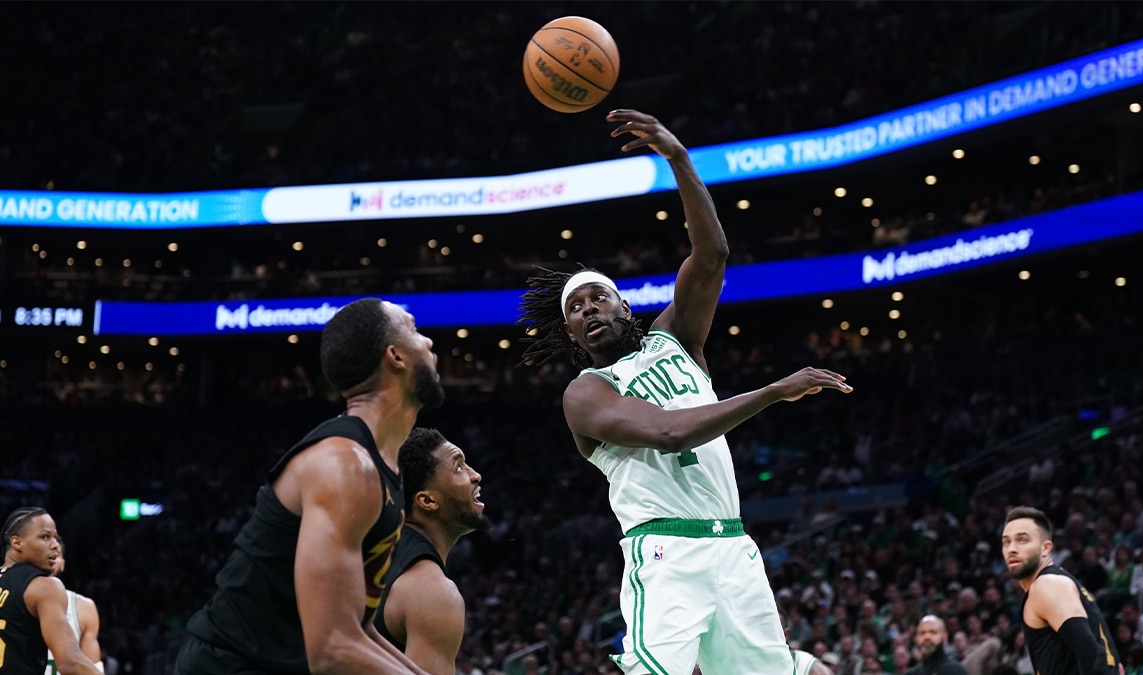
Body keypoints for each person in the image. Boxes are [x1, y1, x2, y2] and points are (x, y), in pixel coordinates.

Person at [518, 109, 852, 675]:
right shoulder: (586, 393)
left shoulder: (675, 338)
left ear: (624, 306)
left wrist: (679, 159)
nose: (587, 309)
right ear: (572, 334)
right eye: (575, 309)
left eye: (597, 297)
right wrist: (775, 390)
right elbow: (669, 433)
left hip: (734, 543)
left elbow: (712, 255)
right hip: (666, 552)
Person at [177, 298, 442, 675]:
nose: (429, 342)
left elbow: (359, 628)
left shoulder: (382, 466)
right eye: (415, 330)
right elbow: (332, 649)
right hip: (228, 665)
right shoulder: (345, 467)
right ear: (395, 357)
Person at [375, 428, 489, 675]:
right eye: (458, 467)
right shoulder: (434, 594)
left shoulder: (368, 551)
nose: (475, 475)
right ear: (427, 501)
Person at [1001, 506, 1121, 675]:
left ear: (1045, 548)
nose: (1011, 549)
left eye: (1022, 540)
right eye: (1006, 542)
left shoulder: (1047, 584)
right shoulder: (1056, 582)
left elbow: (1091, 654)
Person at [0, 507, 101, 674]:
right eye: (45, 537)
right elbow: (71, 664)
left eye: (55, 538)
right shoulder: (45, 587)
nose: (55, 545)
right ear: (17, 543)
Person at [45, 537, 102, 675]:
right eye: (44, 553)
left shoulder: (83, 607)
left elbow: (91, 666)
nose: (50, 558)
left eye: (55, 555)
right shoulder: (8, 596)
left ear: (63, 564)